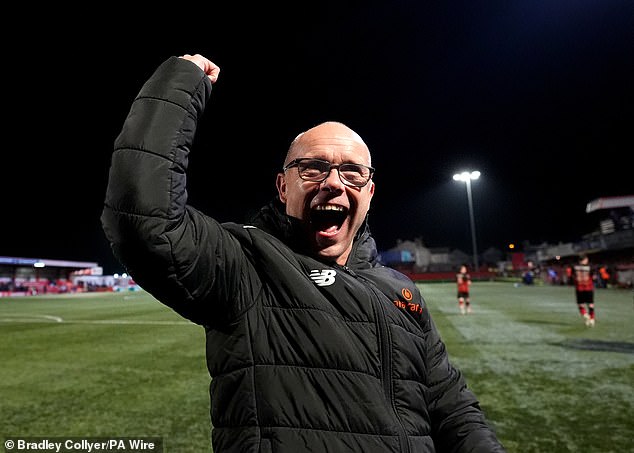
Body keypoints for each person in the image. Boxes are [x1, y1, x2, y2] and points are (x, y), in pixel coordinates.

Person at [101, 53, 506, 453]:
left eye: (352, 172)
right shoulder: (247, 262)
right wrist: (178, 88)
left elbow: (452, 408)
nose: (333, 182)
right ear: (283, 188)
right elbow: (145, 222)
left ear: (369, 192)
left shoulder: (402, 293)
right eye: (312, 168)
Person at [572, 254, 596, 327]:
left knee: (580, 304)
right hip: (588, 288)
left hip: (579, 288)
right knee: (591, 304)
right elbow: (594, 277)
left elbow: (572, 276)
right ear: (585, 259)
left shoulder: (574, 267)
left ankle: (585, 315)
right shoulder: (590, 267)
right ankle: (592, 319)